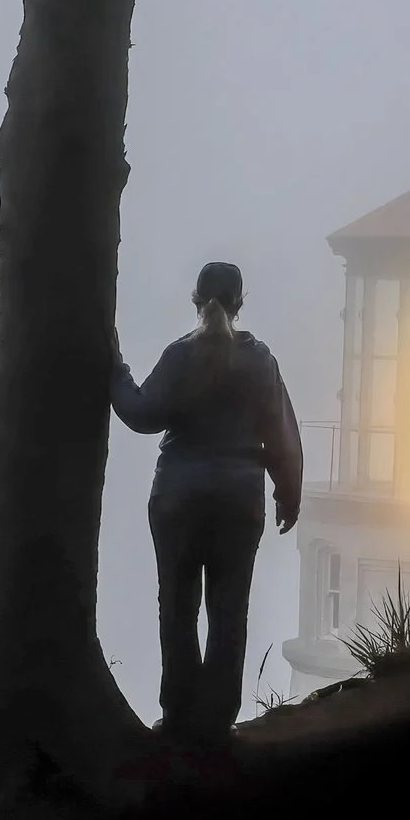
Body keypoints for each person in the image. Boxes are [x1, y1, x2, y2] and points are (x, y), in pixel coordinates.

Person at [112, 260, 302, 742]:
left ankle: (177, 715)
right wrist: (288, 491)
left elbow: (141, 413)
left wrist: (115, 367)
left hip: (177, 499)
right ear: (241, 302)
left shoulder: (180, 356)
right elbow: (280, 433)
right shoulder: (260, 360)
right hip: (240, 503)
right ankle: (217, 722)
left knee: (177, 606)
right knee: (229, 608)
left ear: (195, 300)